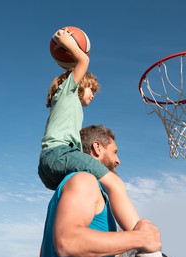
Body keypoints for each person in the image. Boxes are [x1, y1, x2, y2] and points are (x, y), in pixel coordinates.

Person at [38, 27, 139, 235]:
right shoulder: (68, 92)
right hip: (59, 155)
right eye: (91, 89)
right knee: (115, 183)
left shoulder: (68, 106)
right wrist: (68, 43)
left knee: (88, 192)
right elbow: (83, 62)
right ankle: (146, 245)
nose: (92, 94)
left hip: (48, 168)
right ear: (78, 85)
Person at [40, 125, 163, 257]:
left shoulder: (67, 190)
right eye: (114, 152)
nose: (118, 160)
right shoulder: (84, 180)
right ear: (97, 148)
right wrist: (141, 238)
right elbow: (67, 242)